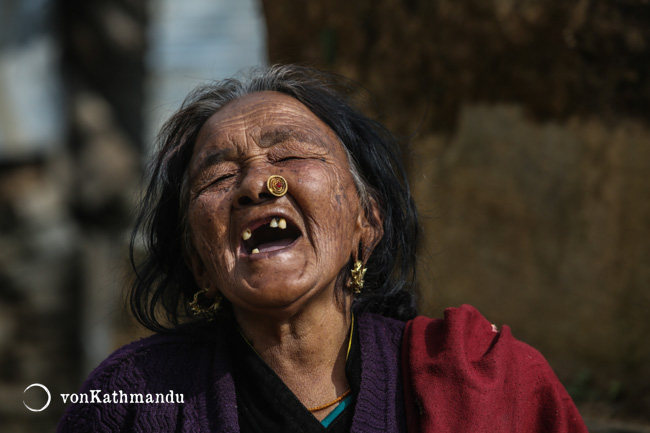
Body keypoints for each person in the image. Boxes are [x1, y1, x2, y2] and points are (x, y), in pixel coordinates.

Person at [57, 65, 588, 432]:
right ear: (199, 263)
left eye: (289, 155)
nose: (257, 184)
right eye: (218, 175)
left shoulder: (490, 379)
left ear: (368, 221)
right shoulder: (130, 398)